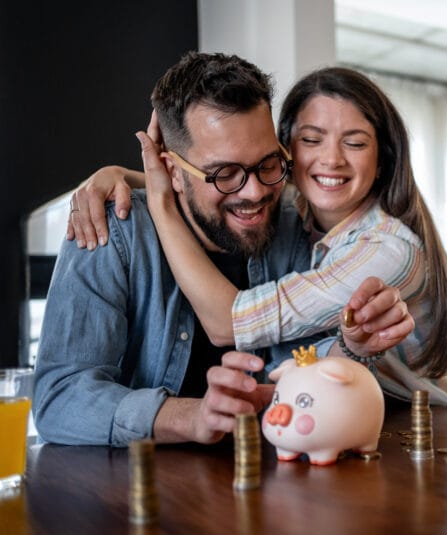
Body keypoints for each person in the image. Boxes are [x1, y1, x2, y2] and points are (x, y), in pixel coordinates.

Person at [33, 52, 415, 448]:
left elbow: (306, 362)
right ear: (173, 172)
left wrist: (350, 346)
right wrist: (190, 416)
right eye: (224, 174)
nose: (255, 193)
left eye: (268, 164)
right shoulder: (113, 229)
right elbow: (60, 398)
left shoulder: (293, 220)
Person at [70, 65, 447, 407]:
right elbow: (219, 184)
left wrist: (160, 203)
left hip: (429, 432)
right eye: (312, 140)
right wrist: (121, 175)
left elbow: (231, 323)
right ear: (286, 150)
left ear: (383, 158)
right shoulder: (297, 206)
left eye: (354, 143)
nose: (331, 159)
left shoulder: (386, 250)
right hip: (352, 424)